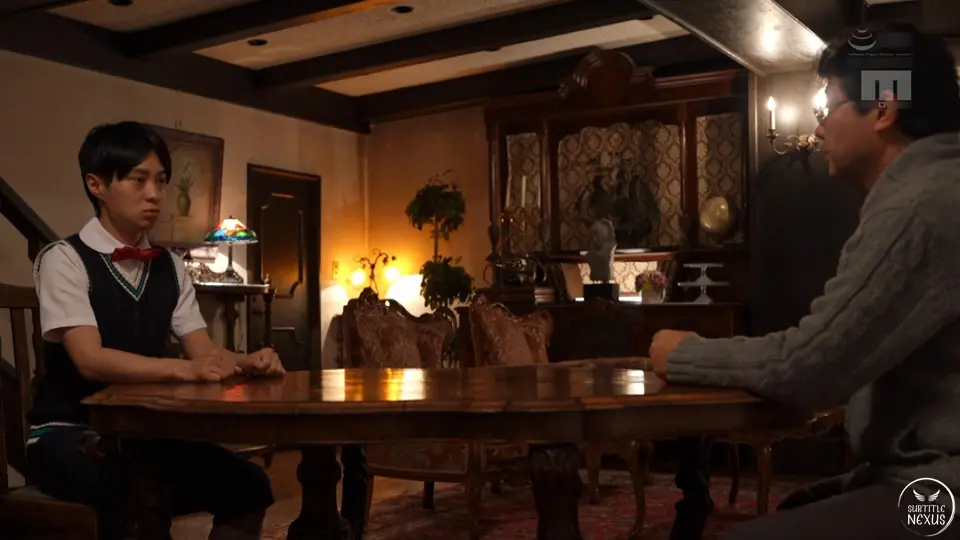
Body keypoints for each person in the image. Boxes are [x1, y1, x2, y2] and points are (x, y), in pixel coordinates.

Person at [649, 24, 960, 540]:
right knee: (799, 505)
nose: (817, 130)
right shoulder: (937, 186)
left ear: (884, 108)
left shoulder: (921, 205)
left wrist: (683, 352)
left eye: (829, 106)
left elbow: (807, 365)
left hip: (939, 493)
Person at [26, 121, 285, 540]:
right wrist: (183, 370)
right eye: (139, 180)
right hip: (71, 433)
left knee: (249, 486)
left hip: (146, 432)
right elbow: (91, 361)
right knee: (140, 491)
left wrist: (246, 361)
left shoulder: (170, 266)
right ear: (96, 185)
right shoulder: (64, 259)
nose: (155, 194)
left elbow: (202, 350)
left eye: (161, 181)